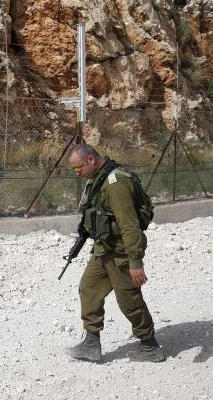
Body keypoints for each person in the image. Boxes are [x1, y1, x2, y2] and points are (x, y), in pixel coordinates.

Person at [63, 143, 164, 363]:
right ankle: (91, 343)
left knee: (129, 299)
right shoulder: (98, 180)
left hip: (121, 253)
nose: (77, 174)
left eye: (78, 169)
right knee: (89, 288)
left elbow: (129, 226)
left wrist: (135, 261)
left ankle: (149, 345)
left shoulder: (115, 185)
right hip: (104, 248)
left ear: (90, 160)